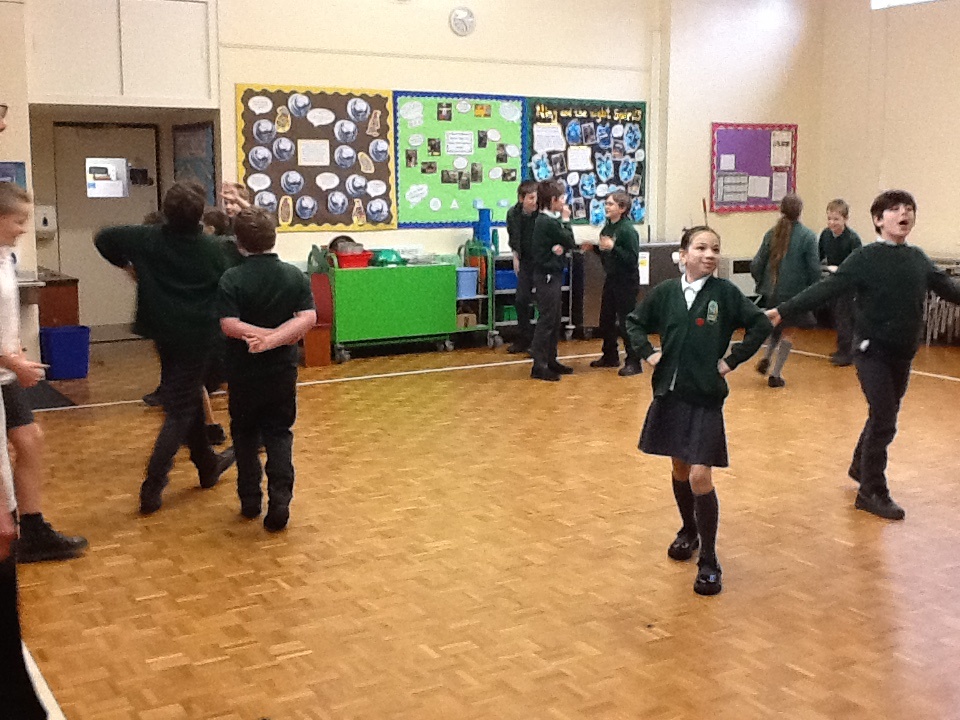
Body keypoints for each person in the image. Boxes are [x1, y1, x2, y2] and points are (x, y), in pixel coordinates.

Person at [767, 189, 960, 521]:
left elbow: (950, 290)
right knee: (884, 418)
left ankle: (861, 465)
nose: (904, 213)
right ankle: (871, 491)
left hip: (902, 353)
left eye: (909, 209)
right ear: (878, 220)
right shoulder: (865, 258)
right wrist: (783, 310)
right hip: (872, 351)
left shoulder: (918, 259)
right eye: (895, 209)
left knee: (883, 414)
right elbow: (825, 288)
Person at [626, 226, 771, 595]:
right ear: (683, 254)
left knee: (700, 476)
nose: (710, 254)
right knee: (679, 467)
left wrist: (732, 361)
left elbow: (759, 324)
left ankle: (709, 559)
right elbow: (634, 323)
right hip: (671, 395)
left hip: (705, 397)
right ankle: (688, 530)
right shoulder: (665, 293)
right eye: (701, 248)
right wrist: (648, 353)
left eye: (715, 249)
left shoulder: (725, 294)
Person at [95, 182, 235, 514]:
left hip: (162, 329)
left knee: (186, 398)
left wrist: (129, 267)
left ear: (166, 212)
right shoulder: (214, 249)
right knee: (180, 410)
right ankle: (153, 485)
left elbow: (104, 238)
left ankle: (207, 465)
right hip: (199, 335)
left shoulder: (147, 238)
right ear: (200, 215)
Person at [0, 183, 87, 563]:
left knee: (30, 440)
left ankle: (32, 530)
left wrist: (16, 351)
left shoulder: (6, 257)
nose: (23, 229)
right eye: (17, 221)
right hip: (4, 369)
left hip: (5, 372)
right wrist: (12, 361)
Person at [217, 207, 315, 531]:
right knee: (279, 433)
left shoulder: (232, 277)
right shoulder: (294, 275)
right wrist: (275, 338)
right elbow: (307, 318)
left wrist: (263, 338)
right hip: (281, 372)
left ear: (238, 242)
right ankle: (280, 501)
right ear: (274, 237)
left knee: (244, 435)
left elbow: (229, 324)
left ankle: (249, 500)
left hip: (243, 372)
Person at [750, 193, 820, 387]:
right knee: (788, 330)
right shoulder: (808, 236)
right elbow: (814, 269)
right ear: (800, 212)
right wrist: (814, 291)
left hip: (772, 291)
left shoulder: (771, 233)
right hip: (795, 294)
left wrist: (762, 284)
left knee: (776, 326)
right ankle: (776, 374)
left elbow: (756, 263)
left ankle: (766, 357)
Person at [589, 192, 642, 376]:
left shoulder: (627, 230)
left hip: (626, 280)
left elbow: (631, 258)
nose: (607, 206)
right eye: (606, 203)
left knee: (626, 322)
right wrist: (595, 249)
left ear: (622, 208)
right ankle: (610, 356)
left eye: (611, 204)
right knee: (606, 319)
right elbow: (608, 253)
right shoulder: (608, 228)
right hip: (611, 278)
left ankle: (634, 361)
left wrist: (614, 248)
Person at [529, 180, 575, 381]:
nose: (564, 202)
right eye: (562, 198)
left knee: (554, 319)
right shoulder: (547, 222)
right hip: (546, 275)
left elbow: (562, 244)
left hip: (551, 274)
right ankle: (539, 365)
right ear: (553, 200)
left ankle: (550, 359)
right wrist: (566, 220)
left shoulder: (548, 221)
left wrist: (559, 247)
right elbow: (569, 240)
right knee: (547, 319)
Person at [818, 199, 862, 366]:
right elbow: (818, 256)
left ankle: (848, 353)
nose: (832, 223)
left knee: (846, 317)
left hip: (849, 283)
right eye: (829, 219)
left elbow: (858, 264)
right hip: (834, 281)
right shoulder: (825, 235)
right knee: (837, 316)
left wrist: (841, 269)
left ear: (845, 219)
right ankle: (842, 349)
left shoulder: (852, 239)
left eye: (836, 219)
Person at [504, 180, 539, 354]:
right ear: (521, 198)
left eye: (536, 197)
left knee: (543, 301)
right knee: (521, 299)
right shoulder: (513, 214)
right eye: (531, 198)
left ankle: (539, 343)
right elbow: (514, 237)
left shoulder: (542, 214)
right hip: (525, 260)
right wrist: (515, 256)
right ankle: (524, 338)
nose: (534, 201)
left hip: (541, 261)